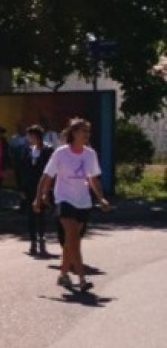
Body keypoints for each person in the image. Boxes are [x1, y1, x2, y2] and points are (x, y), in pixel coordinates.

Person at [33, 118, 111, 292]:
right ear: (74, 133)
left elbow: (93, 178)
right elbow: (47, 177)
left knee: (71, 241)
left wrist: (101, 198)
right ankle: (82, 279)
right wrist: (38, 198)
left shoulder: (90, 154)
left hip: (83, 202)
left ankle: (63, 275)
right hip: (64, 199)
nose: (86, 135)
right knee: (73, 237)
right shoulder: (61, 153)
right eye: (83, 131)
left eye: (88, 132)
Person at [16, 125, 54, 256]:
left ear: (38, 136)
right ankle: (33, 241)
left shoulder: (48, 150)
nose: (29, 138)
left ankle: (42, 238)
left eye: (31, 136)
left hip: (43, 185)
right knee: (30, 214)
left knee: (41, 213)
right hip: (29, 186)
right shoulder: (26, 150)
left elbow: (51, 170)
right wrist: (20, 188)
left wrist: (49, 188)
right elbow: (21, 170)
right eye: (28, 136)